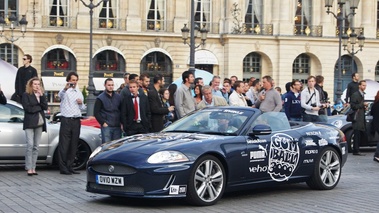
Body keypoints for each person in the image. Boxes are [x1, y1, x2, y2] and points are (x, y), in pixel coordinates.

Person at [58, 72, 86, 175]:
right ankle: (63, 167)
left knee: (74, 144)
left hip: (76, 120)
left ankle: (70, 166)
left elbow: (83, 108)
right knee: (64, 144)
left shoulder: (79, 92)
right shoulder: (65, 92)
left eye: (75, 80)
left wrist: (81, 103)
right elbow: (59, 95)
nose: (74, 82)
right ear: (68, 80)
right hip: (66, 119)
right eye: (72, 80)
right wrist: (65, 88)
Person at [21, 77, 48, 176]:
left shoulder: (41, 95)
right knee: (30, 145)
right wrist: (39, 106)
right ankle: (28, 167)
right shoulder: (26, 95)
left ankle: (33, 167)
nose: (37, 86)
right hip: (29, 122)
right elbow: (28, 109)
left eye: (38, 84)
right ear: (31, 85)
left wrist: (41, 97)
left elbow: (45, 107)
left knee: (36, 146)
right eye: (35, 84)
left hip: (39, 123)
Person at [94, 78, 122, 143]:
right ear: (105, 85)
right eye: (109, 85)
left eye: (112, 85)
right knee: (106, 146)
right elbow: (96, 112)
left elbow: (121, 110)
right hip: (107, 126)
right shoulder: (100, 98)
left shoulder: (118, 97)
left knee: (117, 145)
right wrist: (103, 123)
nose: (111, 87)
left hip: (117, 125)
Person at [350, 80, 368, 156]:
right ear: (359, 86)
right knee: (356, 133)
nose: (364, 87)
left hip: (361, 116)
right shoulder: (355, 94)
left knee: (360, 133)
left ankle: (357, 148)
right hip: (357, 117)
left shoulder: (362, 94)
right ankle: (356, 150)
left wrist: (364, 107)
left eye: (365, 85)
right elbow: (353, 106)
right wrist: (362, 104)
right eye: (363, 85)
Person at [370, 90, 379, 162]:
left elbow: (371, 113)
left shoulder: (375, 104)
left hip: (376, 125)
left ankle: (377, 155)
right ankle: (376, 155)